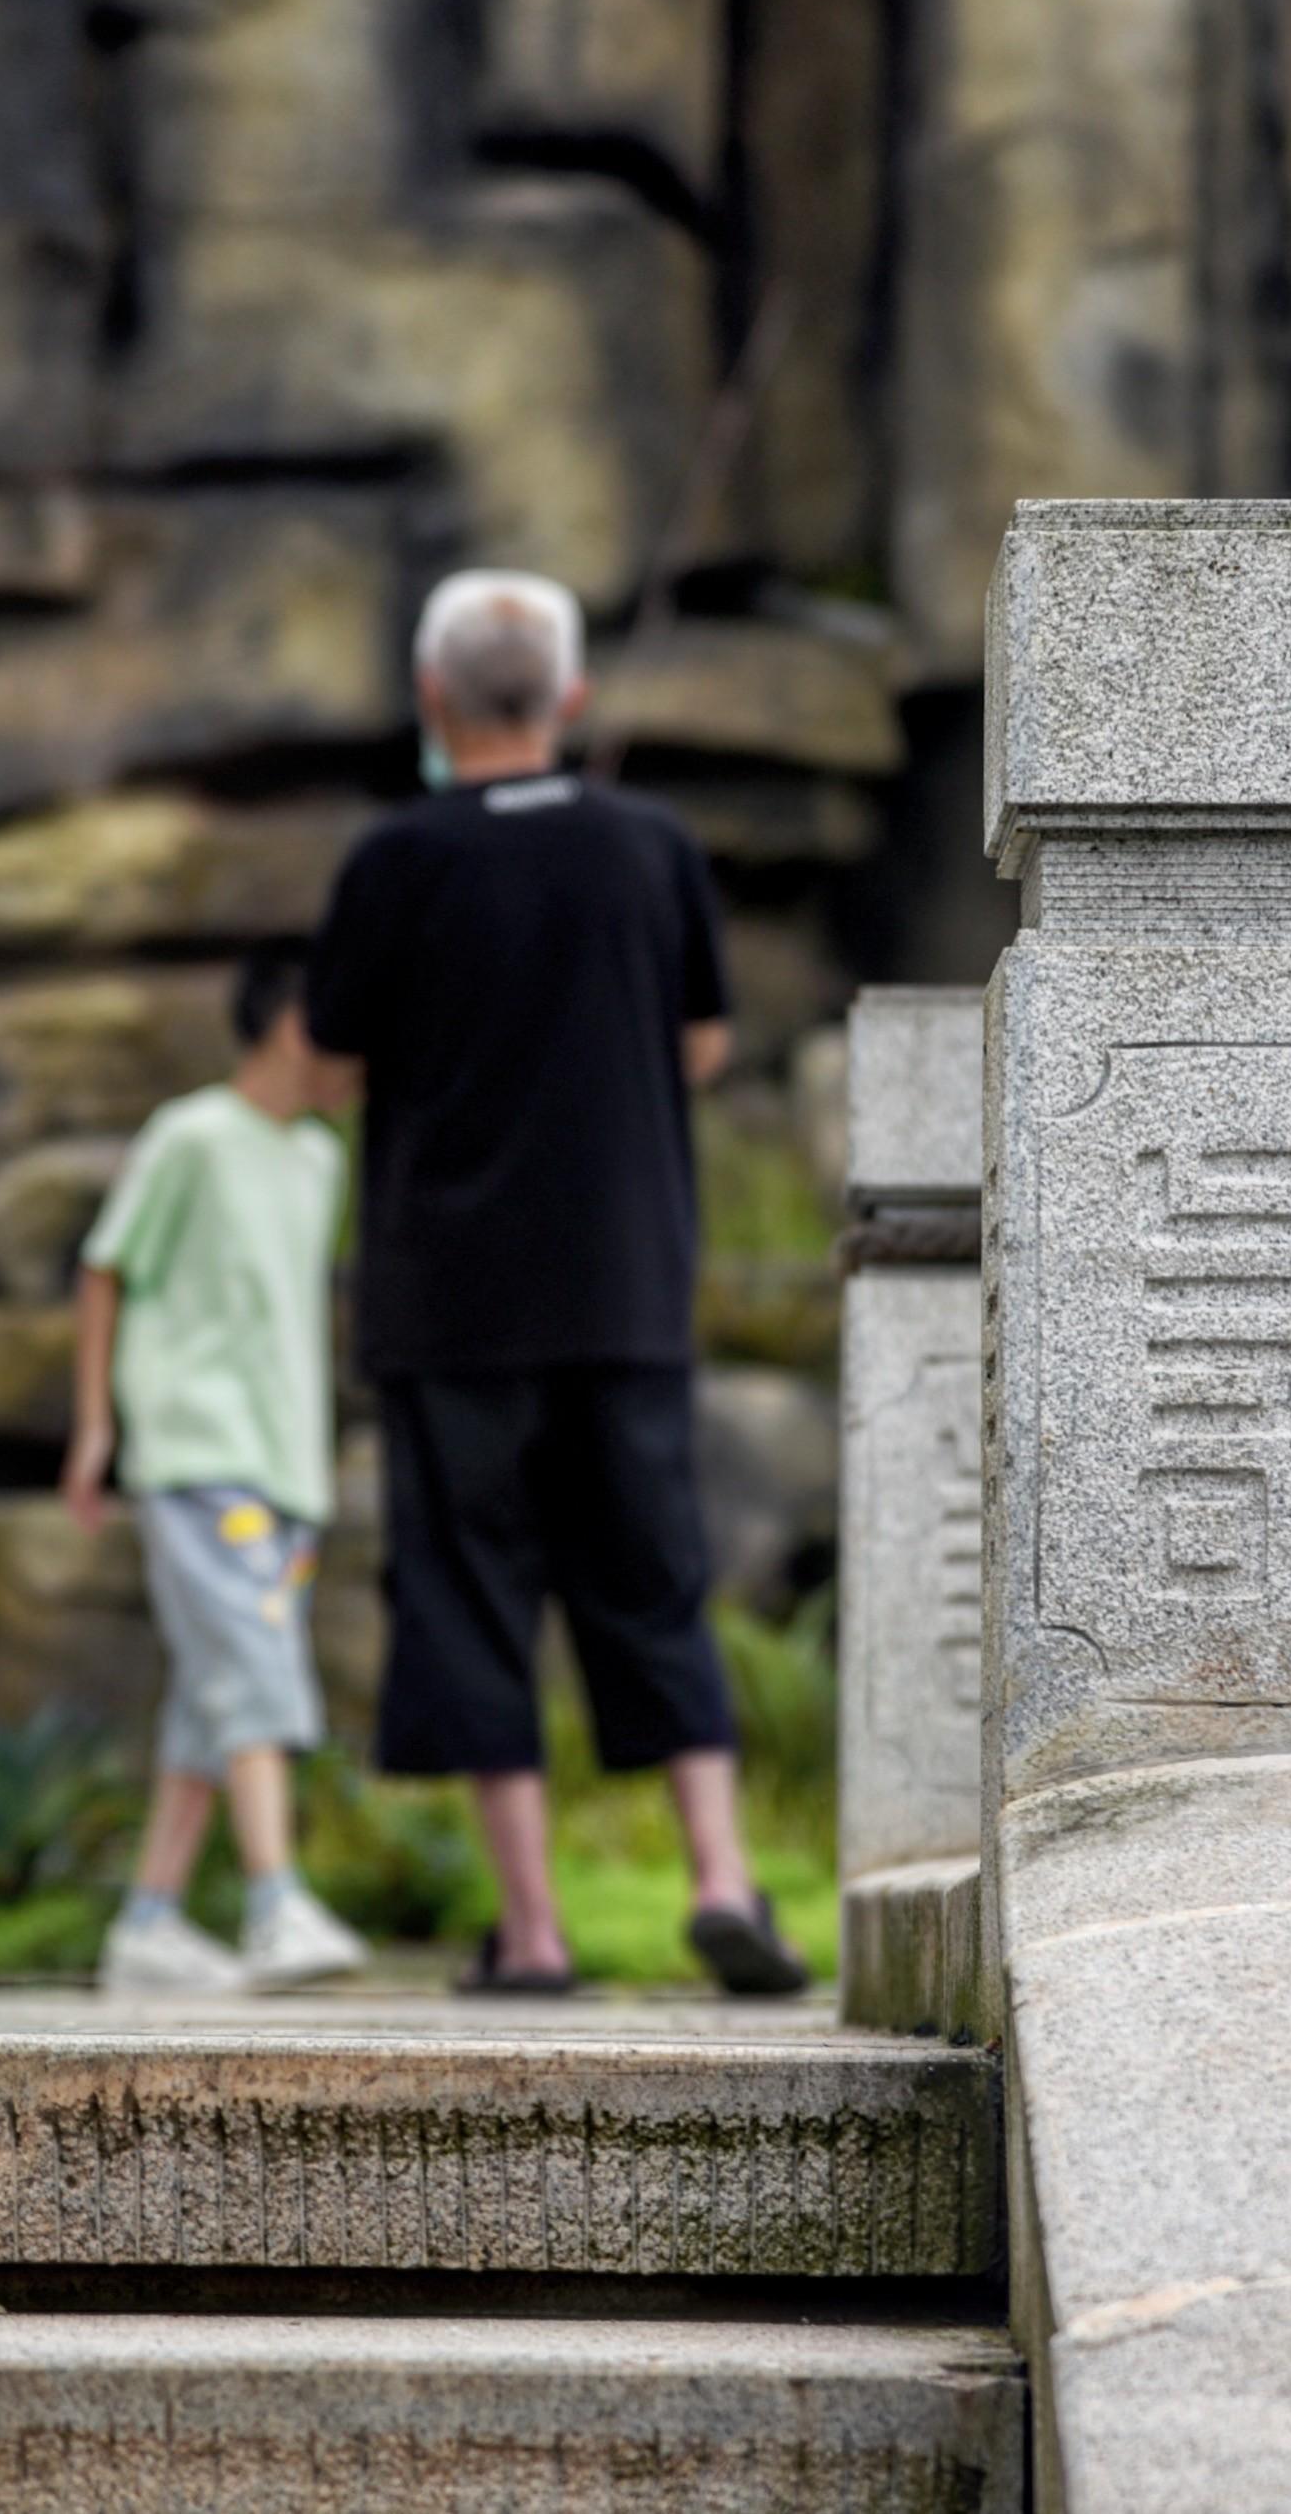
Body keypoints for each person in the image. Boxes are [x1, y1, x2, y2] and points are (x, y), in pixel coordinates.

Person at [302, 570, 807, 1997]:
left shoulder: (392, 862)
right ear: (571, 702)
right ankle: (723, 1880)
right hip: (623, 1289)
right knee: (653, 1583)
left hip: (449, 1305)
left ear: (432, 701)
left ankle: (531, 1934)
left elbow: (330, 1060)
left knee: (469, 1599)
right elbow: (703, 1045)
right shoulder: (651, 846)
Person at [66, 940, 376, 1995]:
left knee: (210, 1698)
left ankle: (147, 1921)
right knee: (254, 1669)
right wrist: (95, 1425)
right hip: (201, 1452)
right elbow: (106, 1265)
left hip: (285, 1466)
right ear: (294, 1019)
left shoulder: (319, 1156)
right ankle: (272, 1898)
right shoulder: (190, 1135)